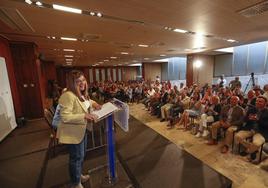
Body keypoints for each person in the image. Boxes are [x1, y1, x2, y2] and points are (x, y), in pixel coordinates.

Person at [57, 70, 101, 188]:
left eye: (83, 80)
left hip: (82, 130)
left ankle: (78, 175)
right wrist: (84, 116)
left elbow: (86, 102)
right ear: (72, 83)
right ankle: (75, 183)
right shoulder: (68, 95)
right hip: (73, 132)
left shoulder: (80, 93)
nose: (82, 83)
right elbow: (65, 116)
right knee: (76, 158)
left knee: (81, 156)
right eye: (78, 81)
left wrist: (94, 103)